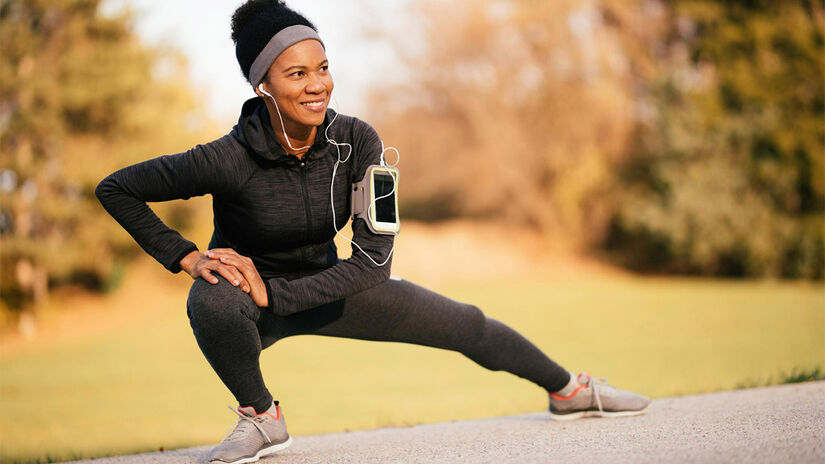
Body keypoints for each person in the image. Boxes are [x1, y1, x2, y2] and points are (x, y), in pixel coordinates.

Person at [95, 1, 651, 463]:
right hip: (249, 298)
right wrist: (188, 256)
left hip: (335, 286)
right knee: (209, 301)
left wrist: (285, 293)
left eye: (323, 67)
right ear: (263, 85)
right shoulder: (226, 158)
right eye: (297, 74)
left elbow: (373, 262)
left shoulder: (358, 142)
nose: (318, 85)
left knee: (466, 324)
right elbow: (116, 187)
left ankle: (571, 391)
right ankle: (263, 417)